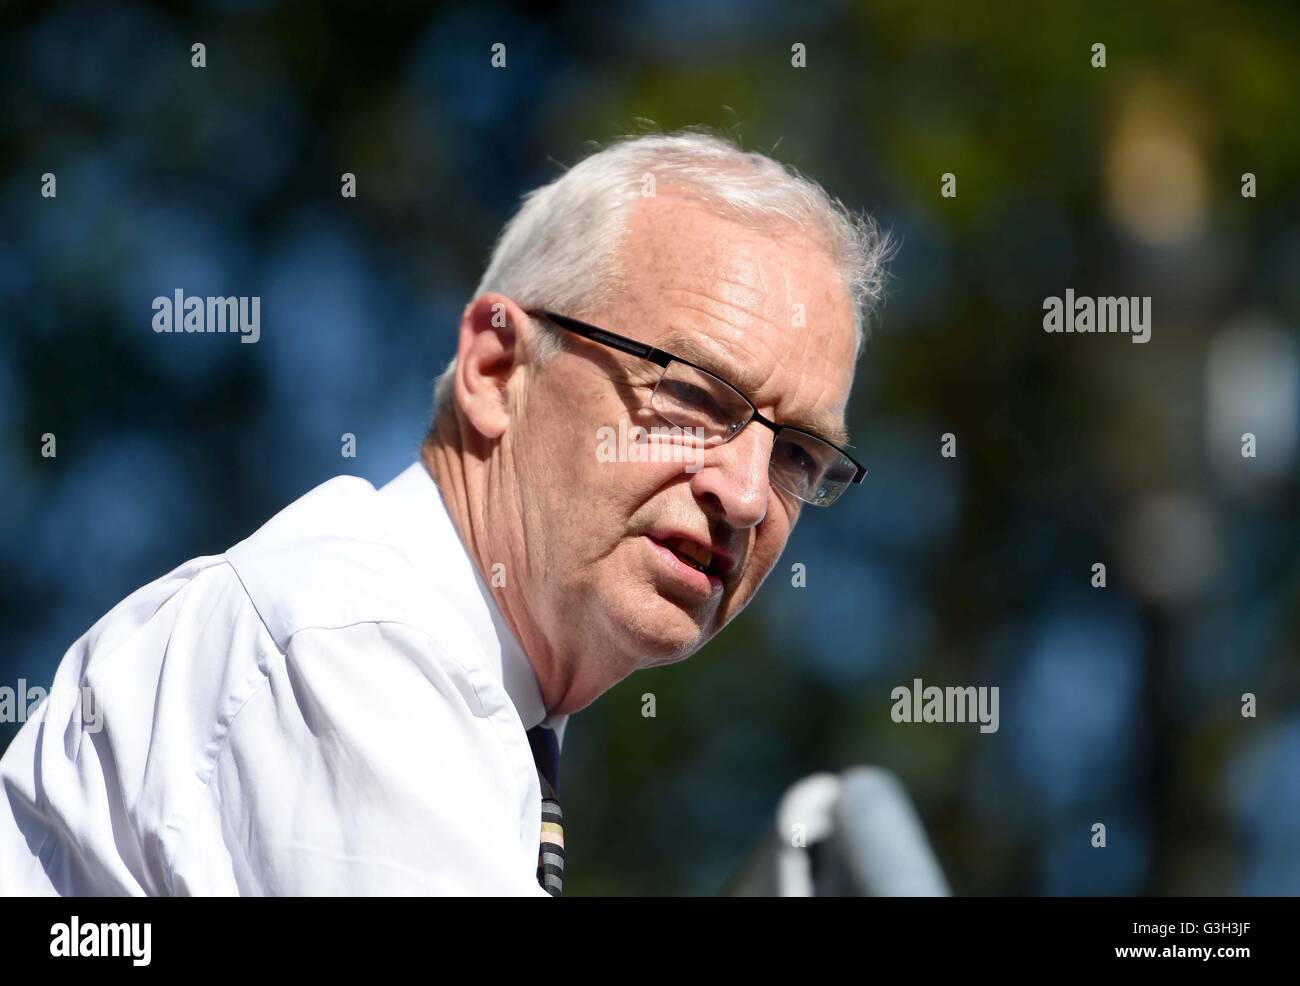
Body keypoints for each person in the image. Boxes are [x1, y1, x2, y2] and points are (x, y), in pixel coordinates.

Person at [0, 130, 890, 895]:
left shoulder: (474, 703)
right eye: (694, 395)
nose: (744, 493)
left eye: (799, 455)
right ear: (497, 370)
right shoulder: (355, 642)